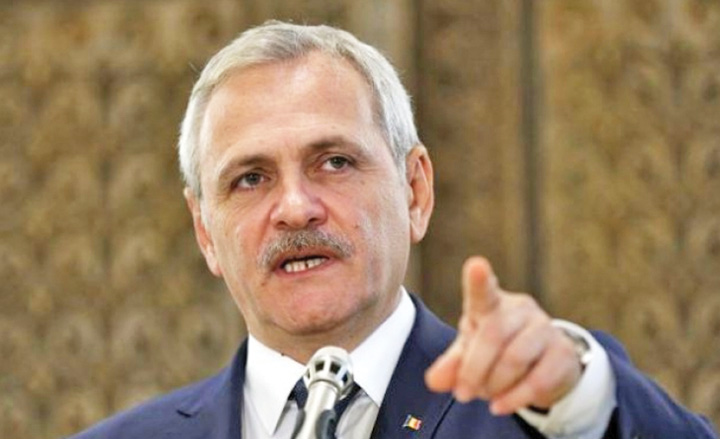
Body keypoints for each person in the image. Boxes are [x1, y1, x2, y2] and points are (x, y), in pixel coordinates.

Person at [69, 21, 717, 439]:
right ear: (205, 232)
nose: (295, 207)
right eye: (250, 178)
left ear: (415, 190)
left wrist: (582, 400)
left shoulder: (541, 415)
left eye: (334, 162)